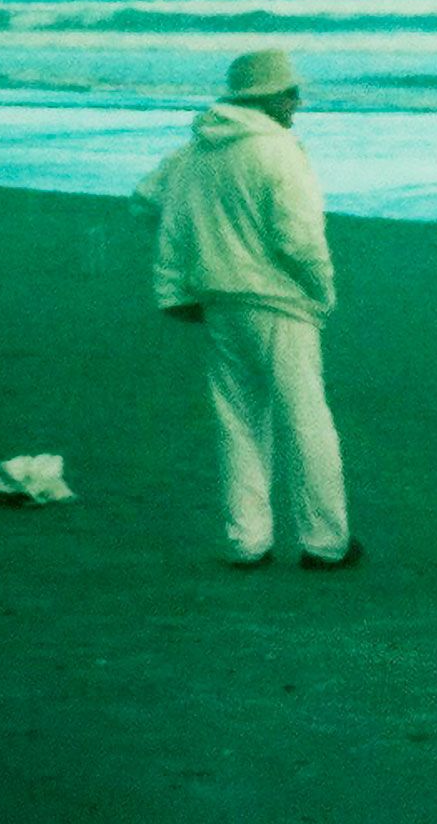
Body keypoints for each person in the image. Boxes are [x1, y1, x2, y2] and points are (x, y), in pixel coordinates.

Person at [136, 48, 359, 572]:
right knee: (307, 421)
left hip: (218, 300)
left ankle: (248, 541)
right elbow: (299, 238)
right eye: (291, 93)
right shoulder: (278, 151)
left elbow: (145, 199)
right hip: (279, 302)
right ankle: (326, 542)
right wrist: (322, 291)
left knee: (238, 421)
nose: (297, 102)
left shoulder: (196, 150)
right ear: (268, 96)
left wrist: (193, 261)